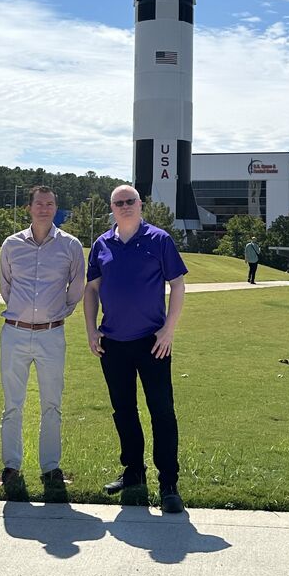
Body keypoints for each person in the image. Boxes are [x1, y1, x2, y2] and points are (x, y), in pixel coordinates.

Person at [84, 184, 187, 513]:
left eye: (130, 201)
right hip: (113, 343)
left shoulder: (159, 239)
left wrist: (168, 330)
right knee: (124, 410)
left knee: (162, 411)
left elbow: (178, 284)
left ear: (140, 205)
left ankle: (168, 482)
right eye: (119, 202)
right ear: (111, 208)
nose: (125, 206)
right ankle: (133, 472)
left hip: (153, 342)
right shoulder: (102, 244)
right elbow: (91, 290)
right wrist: (91, 329)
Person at [0, 185, 85, 488]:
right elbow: (6, 286)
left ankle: (51, 468)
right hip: (15, 333)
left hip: (51, 335)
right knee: (12, 404)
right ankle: (11, 467)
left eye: (49, 204)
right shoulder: (11, 245)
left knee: (52, 403)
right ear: (29, 208)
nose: (44, 209)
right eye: (39, 204)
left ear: (55, 208)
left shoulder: (71, 245)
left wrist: (58, 312)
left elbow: (76, 287)